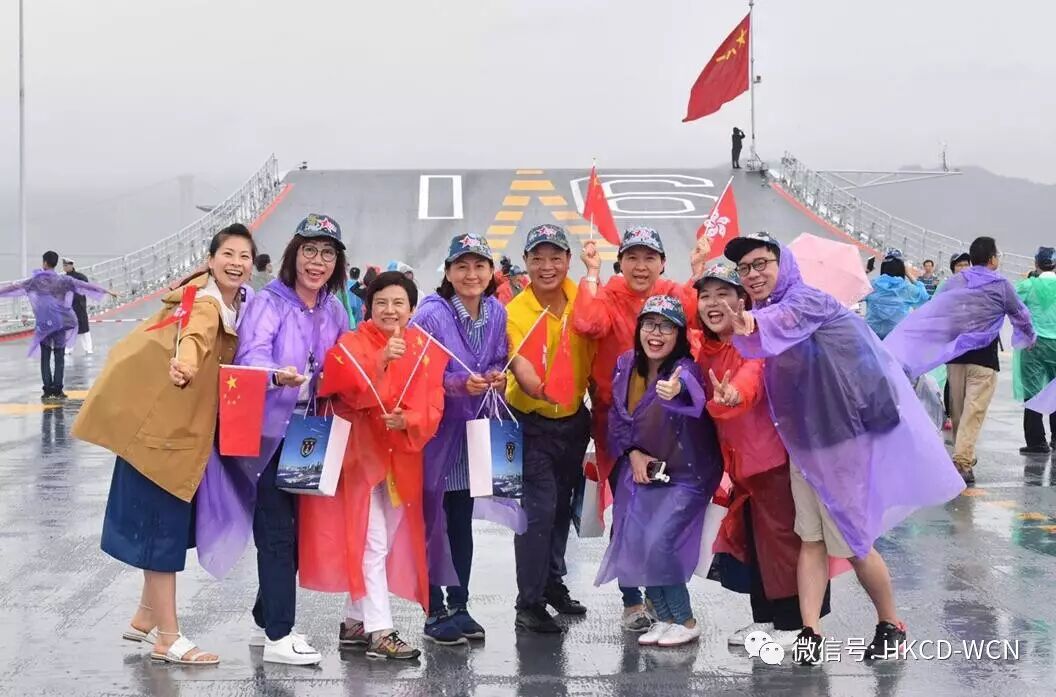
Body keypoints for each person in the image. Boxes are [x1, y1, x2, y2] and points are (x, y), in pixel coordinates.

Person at [724, 231, 965, 665]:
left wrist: (754, 324)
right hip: (804, 445)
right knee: (811, 539)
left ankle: (891, 625)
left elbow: (783, 319)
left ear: (783, 264)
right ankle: (811, 632)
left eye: (761, 264)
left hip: (841, 441)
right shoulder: (766, 308)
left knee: (854, 542)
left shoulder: (807, 300)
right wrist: (751, 323)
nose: (753, 274)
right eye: (744, 268)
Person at [71, 223, 256, 666]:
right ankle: (168, 639)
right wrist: (186, 365)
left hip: (169, 433)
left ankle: (145, 616)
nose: (236, 263)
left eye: (244, 256)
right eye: (228, 254)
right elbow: (195, 337)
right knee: (162, 538)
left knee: (165, 530)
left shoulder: (232, 300)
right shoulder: (207, 304)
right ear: (210, 260)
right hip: (164, 441)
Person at [298, 271, 445, 660]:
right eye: (381, 302)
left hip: (400, 459)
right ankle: (381, 630)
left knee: (383, 539)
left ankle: (353, 621)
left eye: (399, 303)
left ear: (412, 309)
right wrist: (381, 359)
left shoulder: (423, 348)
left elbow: (433, 401)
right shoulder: (352, 344)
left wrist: (408, 419)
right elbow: (340, 384)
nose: (390, 310)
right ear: (368, 307)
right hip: (361, 459)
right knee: (373, 540)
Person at [694, 264, 834, 649]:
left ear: (742, 301)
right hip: (742, 466)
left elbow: (751, 376)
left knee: (782, 542)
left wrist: (734, 395)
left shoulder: (755, 342)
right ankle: (768, 619)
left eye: (724, 294)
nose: (713, 303)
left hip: (769, 460)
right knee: (758, 546)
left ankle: (793, 623)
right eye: (705, 296)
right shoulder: (708, 348)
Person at [230, 213, 349, 665]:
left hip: (311, 433)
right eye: (309, 251)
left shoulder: (335, 308)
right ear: (294, 255)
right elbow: (251, 354)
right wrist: (276, 374)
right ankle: (280, 635)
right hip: (269, 433)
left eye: (327, 253)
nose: (317, 262)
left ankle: (265, 618)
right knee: (276, 530)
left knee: (299, 532)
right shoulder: (270, 302)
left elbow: (347, 359)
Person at [572, 226, 699, 632]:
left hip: (668, 428)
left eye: (649, 258)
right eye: (632, 257)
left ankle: (666, 605)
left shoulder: (674, 292)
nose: (640, 266)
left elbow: (701, 317)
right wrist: (591, 273)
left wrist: (698, 271)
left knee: (662, 514)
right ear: (620, 263)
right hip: (618, 425)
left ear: (662, 263)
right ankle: (632, 600)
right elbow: (586, 323)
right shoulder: (608, 295)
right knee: (628, 511)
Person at [595, 295, 723, 647]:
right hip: (644, 472)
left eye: (666, 326)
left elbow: (692, 393)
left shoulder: (685, 368)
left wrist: (677, 389)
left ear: (679, 335)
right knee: (639, 541)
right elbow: (618, 417)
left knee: (661, 540)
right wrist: (633, 452)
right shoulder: (626, 365)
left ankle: (685, 618)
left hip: (687, 474)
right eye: (650, 324)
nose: (656, 333)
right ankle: (664, 618)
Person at [413, 233, 509, 645]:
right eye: (462, 266)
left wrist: (498, 375)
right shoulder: (431, 315)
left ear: (491, 272)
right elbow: (416, 372)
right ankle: (433, 609)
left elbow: (500, 356)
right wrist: (456, 383)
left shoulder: (496, 311)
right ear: (449, 272)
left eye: (479, 266)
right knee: (432, 521)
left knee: (459, 520)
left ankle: (460, 604)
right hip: (436, 433)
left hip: (472, 430)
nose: (472, 274)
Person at [885, 236, 1037, 485]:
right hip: (983, 360)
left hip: (955, 357)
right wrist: (1029, 338)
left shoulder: (954, 283)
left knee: (958, 411)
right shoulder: (1001, 285)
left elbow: (938, 313)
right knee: (973, 411)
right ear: (992, 259)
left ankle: (962, 455)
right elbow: (1020, 315)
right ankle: (963, 462)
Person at [505, 225, 596, 633]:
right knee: (537, 513)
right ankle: (529, 602)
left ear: (568, 260)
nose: (547, 266)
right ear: (525, 262)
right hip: (531, 423)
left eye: (555, 257)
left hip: (574, 421)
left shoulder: (583, 299)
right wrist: (539, 388)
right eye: (537, 258)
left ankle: (553, 583)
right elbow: (520, 366)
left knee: (562, 509)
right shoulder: (514, 312)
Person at [0, 250, 112, 400]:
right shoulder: (63, 280)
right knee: (59, 357)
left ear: (45, 263)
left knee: (45, 357)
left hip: (44, 325)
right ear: (55, 263)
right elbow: (84, 285)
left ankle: (47, 391)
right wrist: (106, 291)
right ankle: (58, 390)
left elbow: (15, 287)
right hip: (60, 323)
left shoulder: (36, 281)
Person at [1013, 247, 1056, 454]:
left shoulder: (1028, 285)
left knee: (1032, 391)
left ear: (1036, 263)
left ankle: (1036, 441)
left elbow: (1012, 303)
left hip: (1034, 344)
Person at [863, 249, 929, 339]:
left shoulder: (873, 285)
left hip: (871, 337)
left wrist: (866, 271)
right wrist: (909, 274)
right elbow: (924, 297)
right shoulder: (906, 288)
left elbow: (852, 293)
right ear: (902, 268)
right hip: (895, 339)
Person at [62, 258, 95, 356]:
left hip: (79, 306)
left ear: (71, 265)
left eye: (66, 265)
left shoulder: (81, 277)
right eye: (64, 266)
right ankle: (68, 349)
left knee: (84, 329)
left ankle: (88, 348)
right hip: (69, 307)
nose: (65, 267)